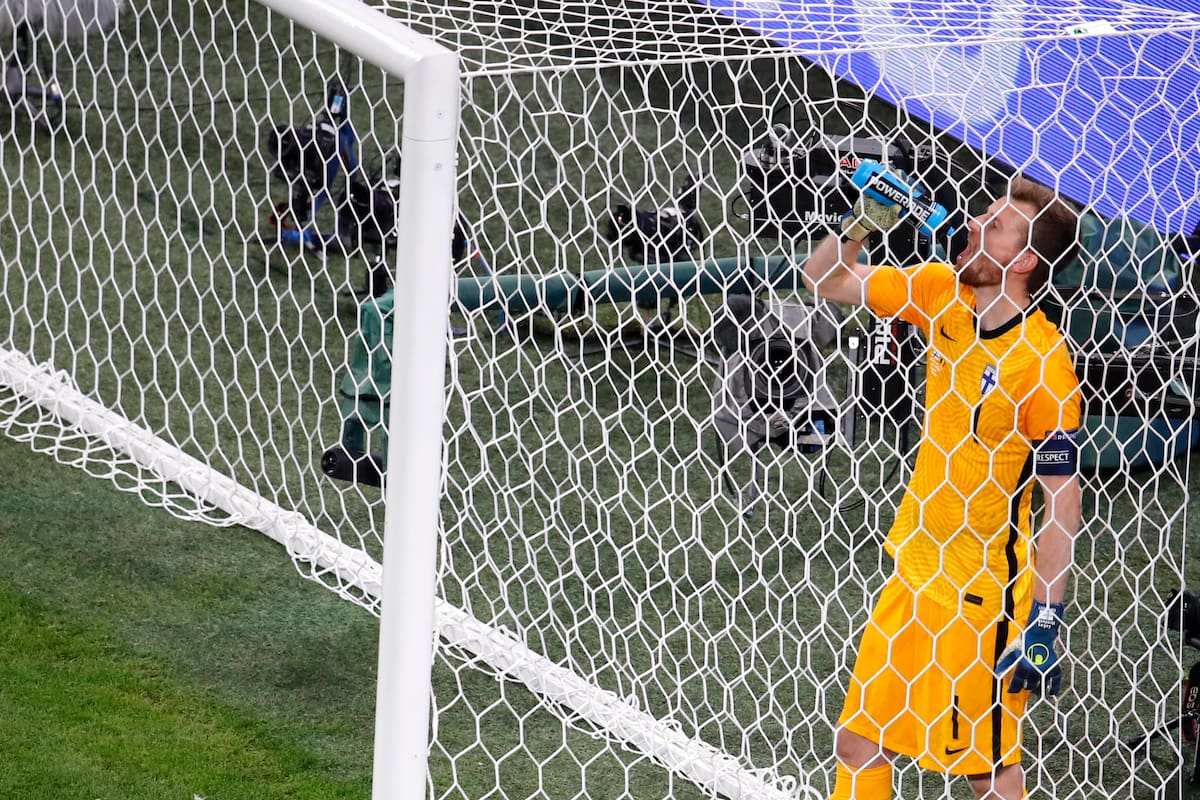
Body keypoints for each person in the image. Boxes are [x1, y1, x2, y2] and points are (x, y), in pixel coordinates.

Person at [802, 172, 1083, 799]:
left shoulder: (1043, 367)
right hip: (914, 570)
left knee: (988, 774)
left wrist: (1044, 619)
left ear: (1023, 262)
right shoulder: (941, 291)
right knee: (858, 743)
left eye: (996, 225)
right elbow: (825, 280)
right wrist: (861, 224)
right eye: (983, 213)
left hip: (980, 601)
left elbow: (1063, 502)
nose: (975, 223)